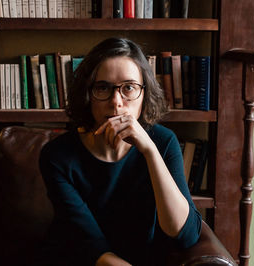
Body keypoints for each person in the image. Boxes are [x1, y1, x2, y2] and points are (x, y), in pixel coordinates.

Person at [38, 37, 202, 266]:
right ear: (87, 94)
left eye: (128, 88)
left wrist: (150, 152)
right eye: (103, 87)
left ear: (144, 94)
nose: (116, 102)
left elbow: (184, 234)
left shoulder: (163, 142)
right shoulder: (57, 156)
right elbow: (91, 244)